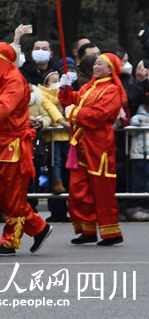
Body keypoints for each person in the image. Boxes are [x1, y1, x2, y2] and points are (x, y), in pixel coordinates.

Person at [0, 42, 51, 256]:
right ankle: (39, 227)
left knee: (14, 196)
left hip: (15, 145)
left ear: (4, 61)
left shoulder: (14, 80)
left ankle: (10, 242)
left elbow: (2, 108)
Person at [59, 52, 125, 245]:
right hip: (81, 144)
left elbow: (99, 115)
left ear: (110, 69)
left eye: (100, 64)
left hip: (99, 146)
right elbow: (72, 101)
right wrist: (64, 89)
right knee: (78, 188)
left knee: (102, 190)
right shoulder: (88, 87)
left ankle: (111, 232)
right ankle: (87, 229)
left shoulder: (112, 90)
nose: (96, 66)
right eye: (95, 63)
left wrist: (74, 112)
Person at [126, 96, 149, 221]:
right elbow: (132, 127)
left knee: (147, 183)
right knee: (138, 182)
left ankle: (145, 206)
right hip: (139, 154)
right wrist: (141, 120)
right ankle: (134, 206)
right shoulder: (138, 116)